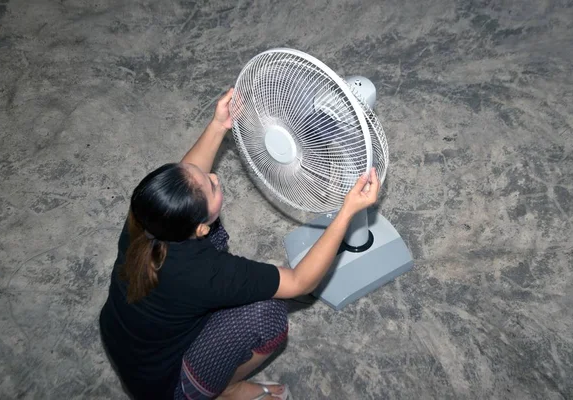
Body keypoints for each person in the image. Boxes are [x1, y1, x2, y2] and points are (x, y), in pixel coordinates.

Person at [99, 88, 381, 400]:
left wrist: (219, 125)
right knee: (268, 312)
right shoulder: (207, 273)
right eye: (212, 185)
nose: (216, 176)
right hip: (166, 385)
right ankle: (223, 390)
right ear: (199, 227)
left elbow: (187, 178)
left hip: (127, 342)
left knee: (203, 217)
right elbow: (300, 282)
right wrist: (346, 213)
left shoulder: (144, 216)